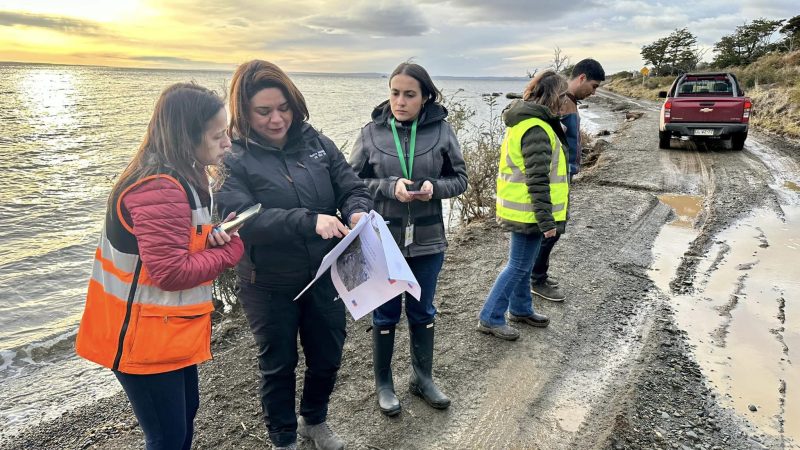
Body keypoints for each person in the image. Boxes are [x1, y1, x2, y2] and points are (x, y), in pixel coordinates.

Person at [75, 82, 244, 450]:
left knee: (182, 421)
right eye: (217, 136)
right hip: (141, 340)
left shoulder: (183, 176)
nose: (227, 143)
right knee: (168, 437)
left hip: (165, 333)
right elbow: (170, 273)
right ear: (187, 137)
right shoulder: (159, 187)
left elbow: (170, 245)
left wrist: (211, 235)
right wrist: (230, 252)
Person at [215, 60, 372, 450]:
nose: (276, 119)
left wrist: (354, 210)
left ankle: (314, 421)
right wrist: (308, 221)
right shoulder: (231, 158)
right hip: (268, 283)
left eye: (282, 108)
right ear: (244, 112)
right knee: (278, 365)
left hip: (326, 273)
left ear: (294, 102)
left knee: (328, 356)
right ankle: (283, 438)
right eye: (263, 111)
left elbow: (351, 186)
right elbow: (243, 220)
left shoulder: (316, 142)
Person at [349, 62, 468, 416]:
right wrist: (389, 187)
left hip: (429, 240)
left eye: (409, 94)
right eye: (395, 92)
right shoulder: (371, 133)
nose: (400, 101)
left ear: (425, 97)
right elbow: (352, 184)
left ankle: (422, 378)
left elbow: (460, 179)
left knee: (422, 310)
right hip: (383, 241)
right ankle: (384, 385)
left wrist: (435, 189)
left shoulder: (443, 131)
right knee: (385, 314)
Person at [477, 70, 570, 341]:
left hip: (523, 208)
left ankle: (520, 309)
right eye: (563, 96)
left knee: (524, 265)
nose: (566, 102)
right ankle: (490, 317)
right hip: (528, 210)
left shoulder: (530, 123)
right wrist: (547, 221)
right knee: (518, 265)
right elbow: (538, 179)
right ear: (554, 96)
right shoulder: (536, 129)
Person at [530, 58, 605, 303]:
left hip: (565, 172)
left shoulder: (570, 102)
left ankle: (539, 273)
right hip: (557, 175)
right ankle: (536, 277)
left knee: (557, 227)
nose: (593, 93)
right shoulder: (561, 102)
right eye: (593, 86)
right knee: (552, 227)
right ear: (581, 78)